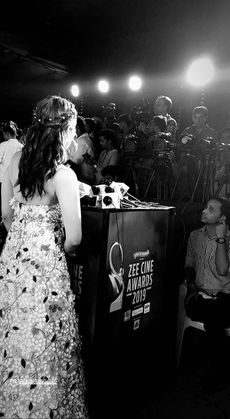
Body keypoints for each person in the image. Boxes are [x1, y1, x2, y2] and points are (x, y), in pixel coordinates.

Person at [0, 95, 89, 418]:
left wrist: (20, 244)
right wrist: (55, 249)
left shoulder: (13, 161)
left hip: (13, 260)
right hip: (46, 265)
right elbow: (74, 237)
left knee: (13, 331)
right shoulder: (63, 175)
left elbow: (5, 216)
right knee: (46, 337)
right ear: (66, 130)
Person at [184, 196, 230, 392]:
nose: (204, 211)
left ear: (222, 218)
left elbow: (223, 270)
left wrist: (221, 238)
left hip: (228, 297)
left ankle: (217, 375)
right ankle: (223, 370)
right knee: (213, 316)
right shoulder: (194, 236)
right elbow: (188, 265)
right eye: (206, 207)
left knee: (216, 316)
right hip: (200, 298)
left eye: (211, 209)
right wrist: (190, 285)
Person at [66, 115, 95, 185]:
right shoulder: (79, 140)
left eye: (70, 127)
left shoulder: (82, 142)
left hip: (85, 180)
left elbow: (74, 163)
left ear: (77, 127)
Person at [0, 121, 23, 197]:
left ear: (6, 134)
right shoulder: (21, 146)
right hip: (17, 180)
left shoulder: (3, 145)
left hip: (3, 180)